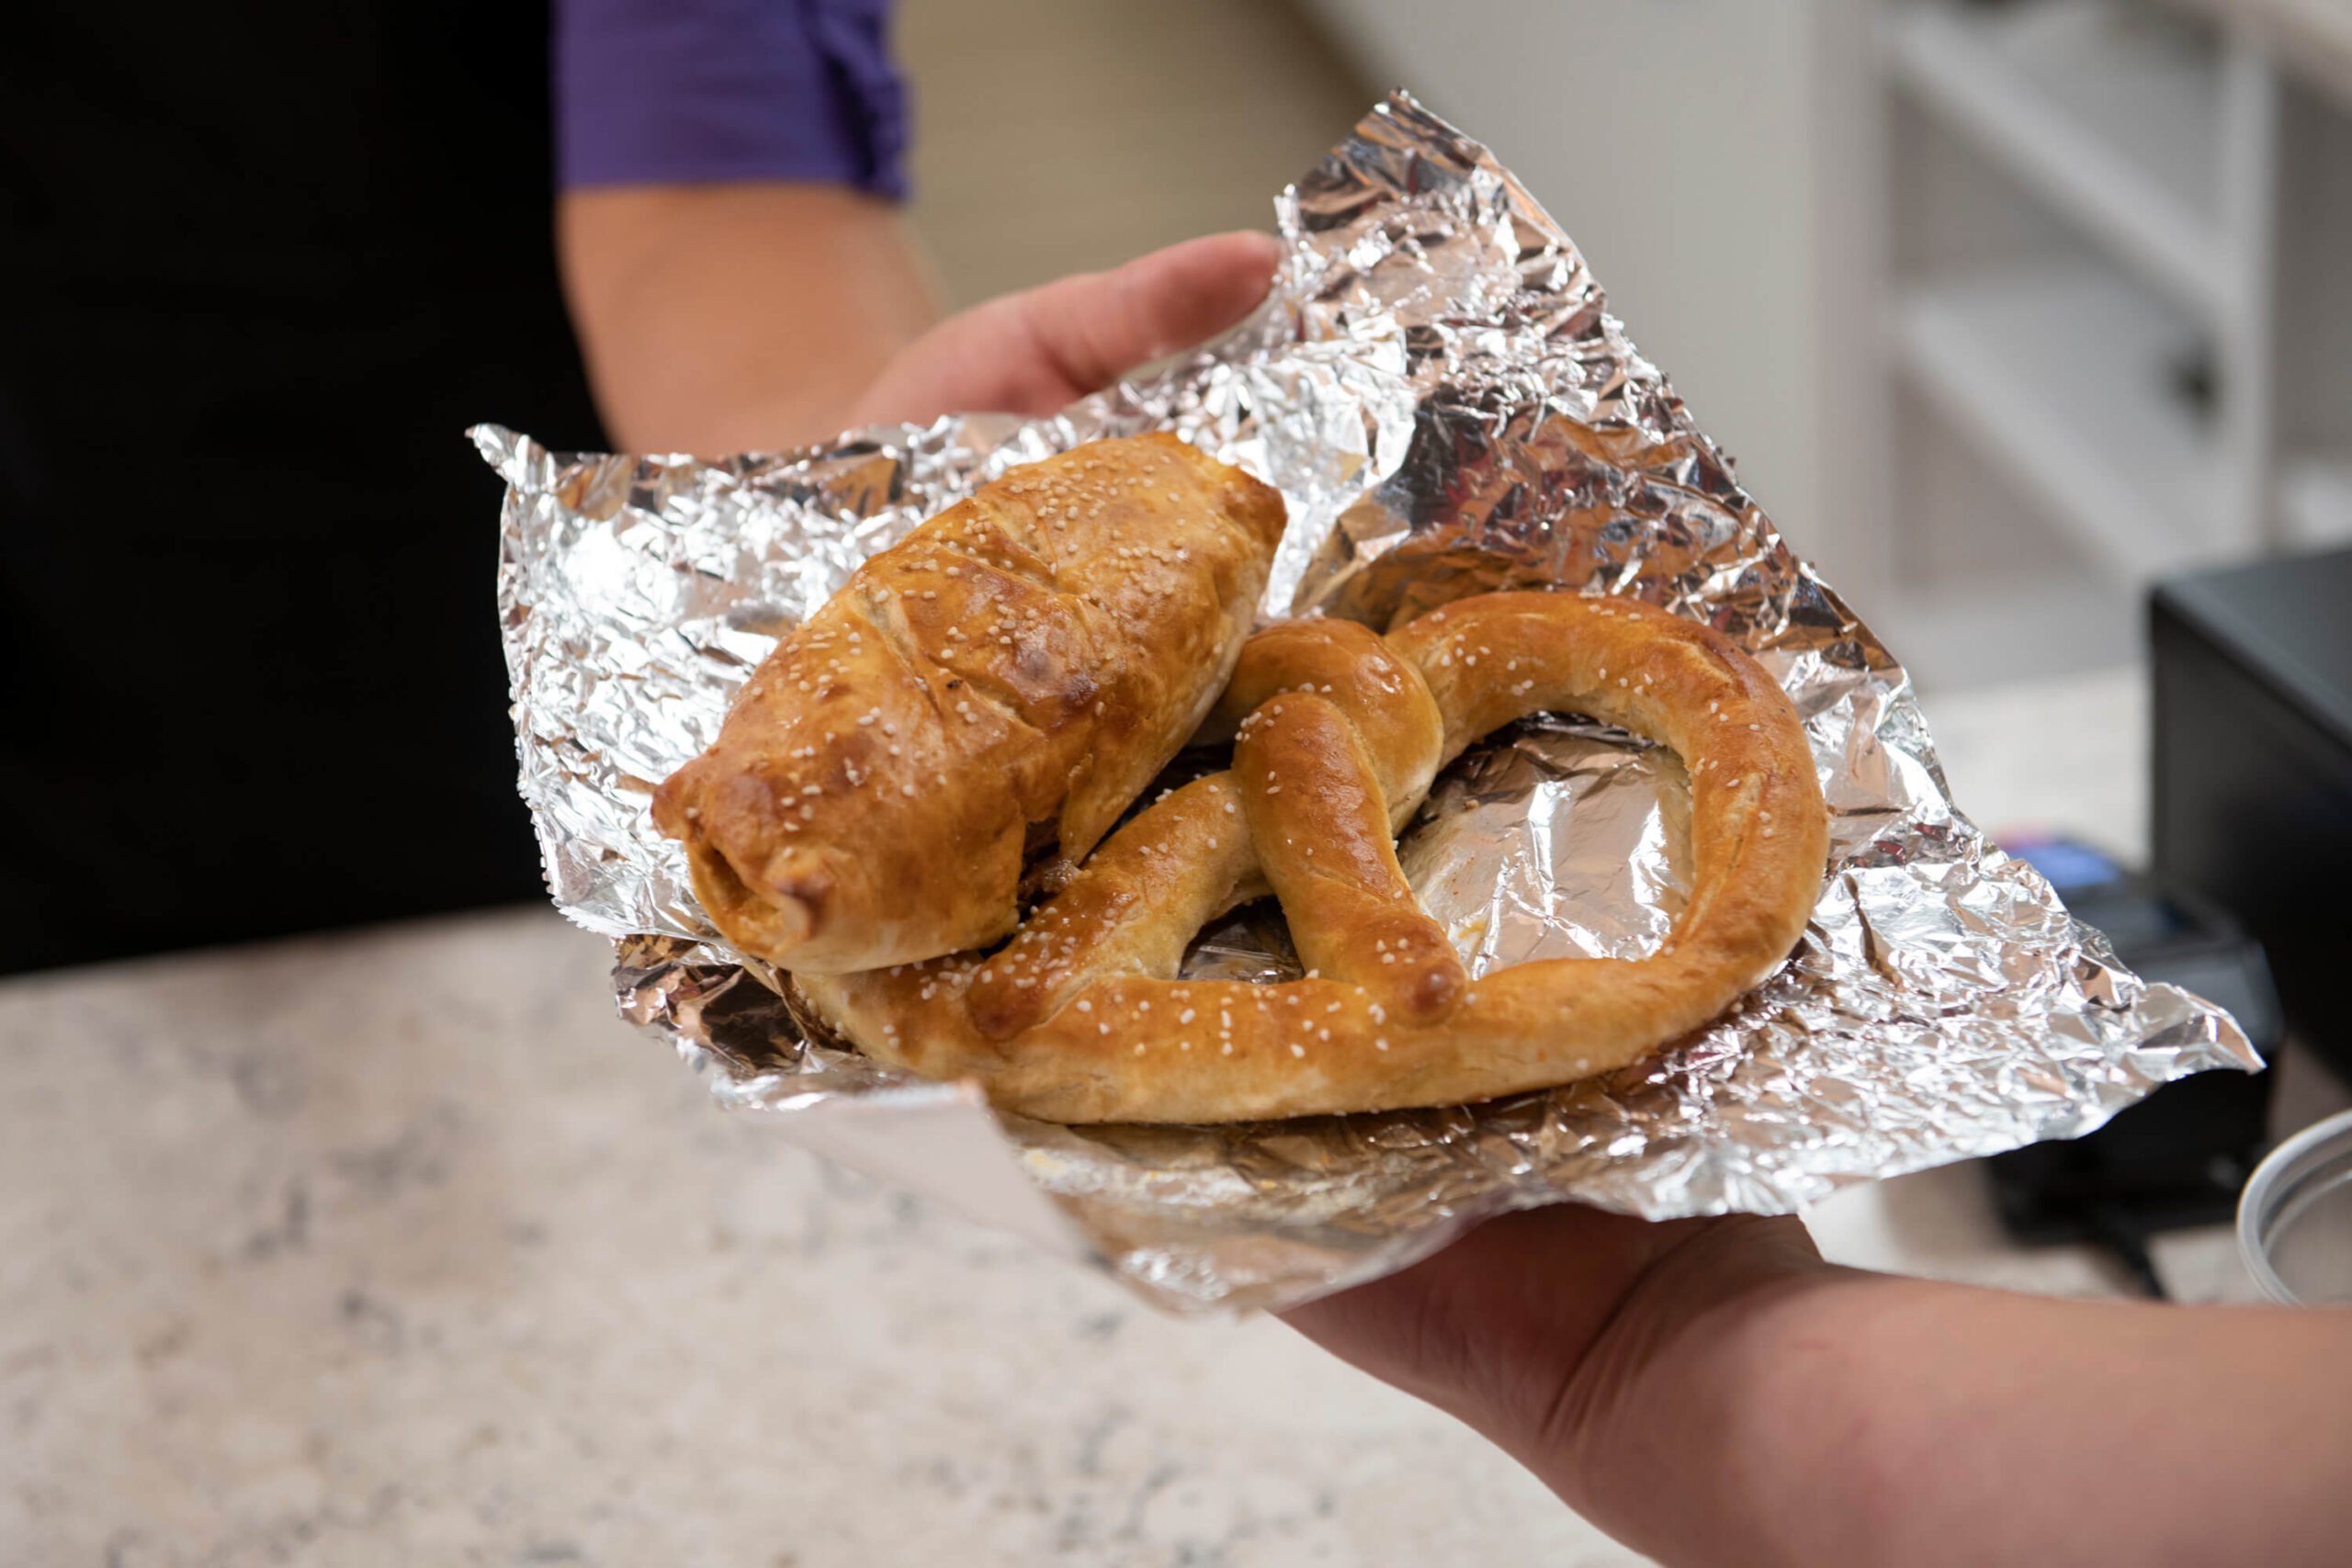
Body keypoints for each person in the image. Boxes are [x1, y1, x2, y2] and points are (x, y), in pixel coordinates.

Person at [549, 10, 2352, 1565]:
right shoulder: (1269, 708)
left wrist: (1663, 1357)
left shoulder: (1305, 694)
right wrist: (853, 574)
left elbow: (707, 135)